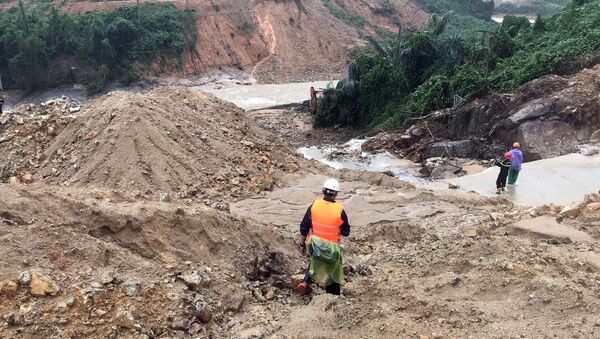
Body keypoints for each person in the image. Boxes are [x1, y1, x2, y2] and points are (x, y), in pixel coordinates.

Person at [296, 178, 350, 296]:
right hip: (332, 249)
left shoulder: (314, 206)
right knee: (333, 271)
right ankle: (332, 296)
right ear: (336, 194)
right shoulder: (339, 210)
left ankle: (306, 281)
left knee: (315, 258)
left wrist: (302, 244)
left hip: (315, 245)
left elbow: (304, 227)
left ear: (322, 191)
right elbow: (346, 232)